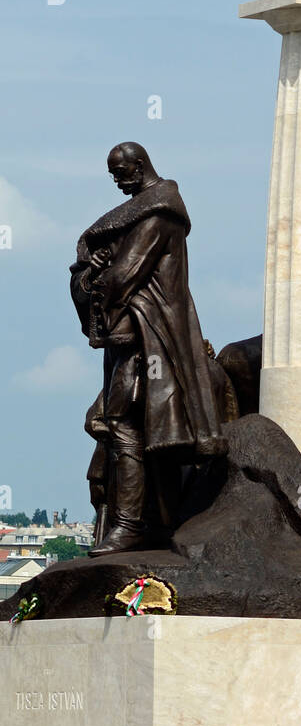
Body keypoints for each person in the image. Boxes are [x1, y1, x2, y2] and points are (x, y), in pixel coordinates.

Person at [71, 143, 227, 555]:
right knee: (141, 429)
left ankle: (131, 525)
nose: (117, 181)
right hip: (137, 335)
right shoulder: (149, 208)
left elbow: (124, 274)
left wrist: (92, 275)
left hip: (150, 337)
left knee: (122, 423)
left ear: (139, 167)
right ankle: (149, 523)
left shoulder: (158, 211)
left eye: (121, 172)